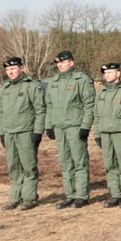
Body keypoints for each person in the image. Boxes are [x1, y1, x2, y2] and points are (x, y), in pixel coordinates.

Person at [45, 50, 96, 209]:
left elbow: (89, 104)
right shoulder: (54, 81)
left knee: (79, 161)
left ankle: (81, 195)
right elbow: (50, 105)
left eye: (63, 61)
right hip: (60, 128)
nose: (60, 64)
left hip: (75, 126)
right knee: (65, 162)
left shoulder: (81, 79)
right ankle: (70, 194)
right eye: (58, 62)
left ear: (71, 63)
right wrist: (49, 125)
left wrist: (85, 126)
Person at [0, 57, 46, 211]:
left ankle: (29, 197)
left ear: (21, 68)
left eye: (13, 68)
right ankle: (14, 198)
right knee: (13, 166)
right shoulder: (5, 89)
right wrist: (2, 133)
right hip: (10, 132)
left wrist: (37, 132)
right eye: (8, 69)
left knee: (28, 166)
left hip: (26, 132)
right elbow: (1, 113)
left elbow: (40, 110)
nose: (10, 72)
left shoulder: (32, 86)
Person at [94, 62, 121, 208]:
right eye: (105, 73)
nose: (106, 75)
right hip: (105, 134)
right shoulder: (101, 92)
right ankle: (115, 194)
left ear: (118, 74)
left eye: (110, 72)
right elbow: (97, 115)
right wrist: (97, 134)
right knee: (109, 166)